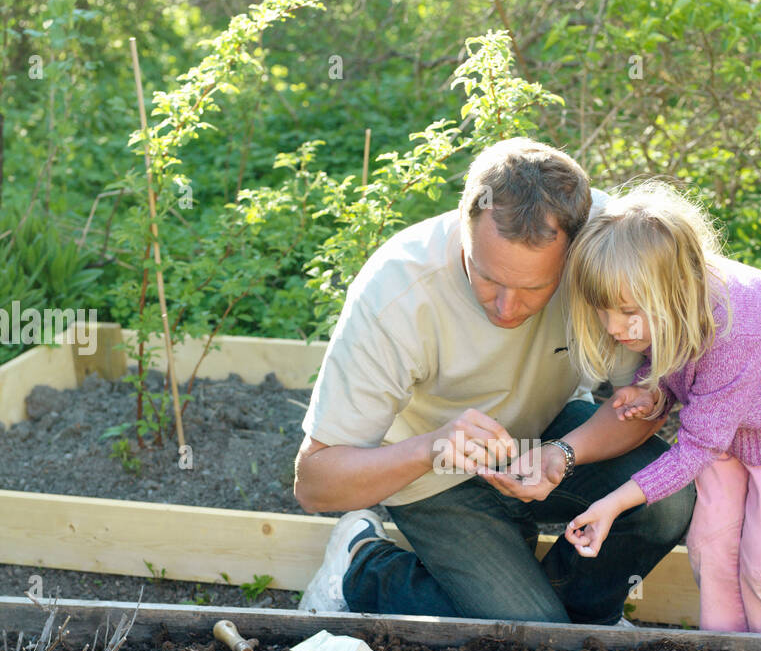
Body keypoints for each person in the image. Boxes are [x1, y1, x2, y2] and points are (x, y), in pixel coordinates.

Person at [293, 140, 695, 625]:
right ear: (464, 227)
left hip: (546, 428)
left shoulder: (609, 245)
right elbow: (314, 484)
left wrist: (560, 455)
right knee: (529, 635)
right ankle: (361, 569)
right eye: (486, 279)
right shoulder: (396, 293)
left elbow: (645, 405)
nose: (506, 308)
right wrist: (433, 448)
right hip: (430, 473)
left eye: (533, 289)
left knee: (667, 500)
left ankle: (583, 620)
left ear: (574, 255)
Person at [560, 180, 761, 639]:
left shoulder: (737, 327)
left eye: (628, 311)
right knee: (711, 543)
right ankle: (727, 648)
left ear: (673, 289)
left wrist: (612, 504)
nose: (614, 327)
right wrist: (654, 390)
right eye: (603, 311)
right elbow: (680, 360)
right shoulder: (673, 302)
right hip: (723, 426)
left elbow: (694, 449)